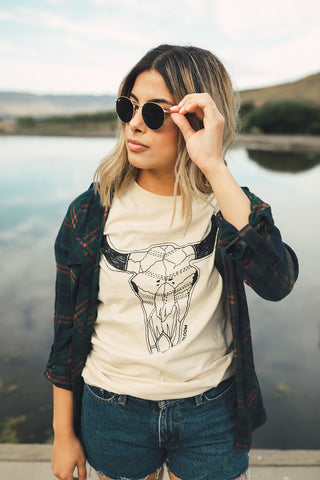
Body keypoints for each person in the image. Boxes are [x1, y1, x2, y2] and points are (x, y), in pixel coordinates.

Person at [45, 44, 298, 480]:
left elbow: (278, 281)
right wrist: (62, 433)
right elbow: (66, 331)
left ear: (198, 121)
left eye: (157, 113)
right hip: (112, 409)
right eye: (129, 107)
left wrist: (215, 168)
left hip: (212, 413)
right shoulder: (90, 211)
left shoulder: (229, 207)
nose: (135, 123)